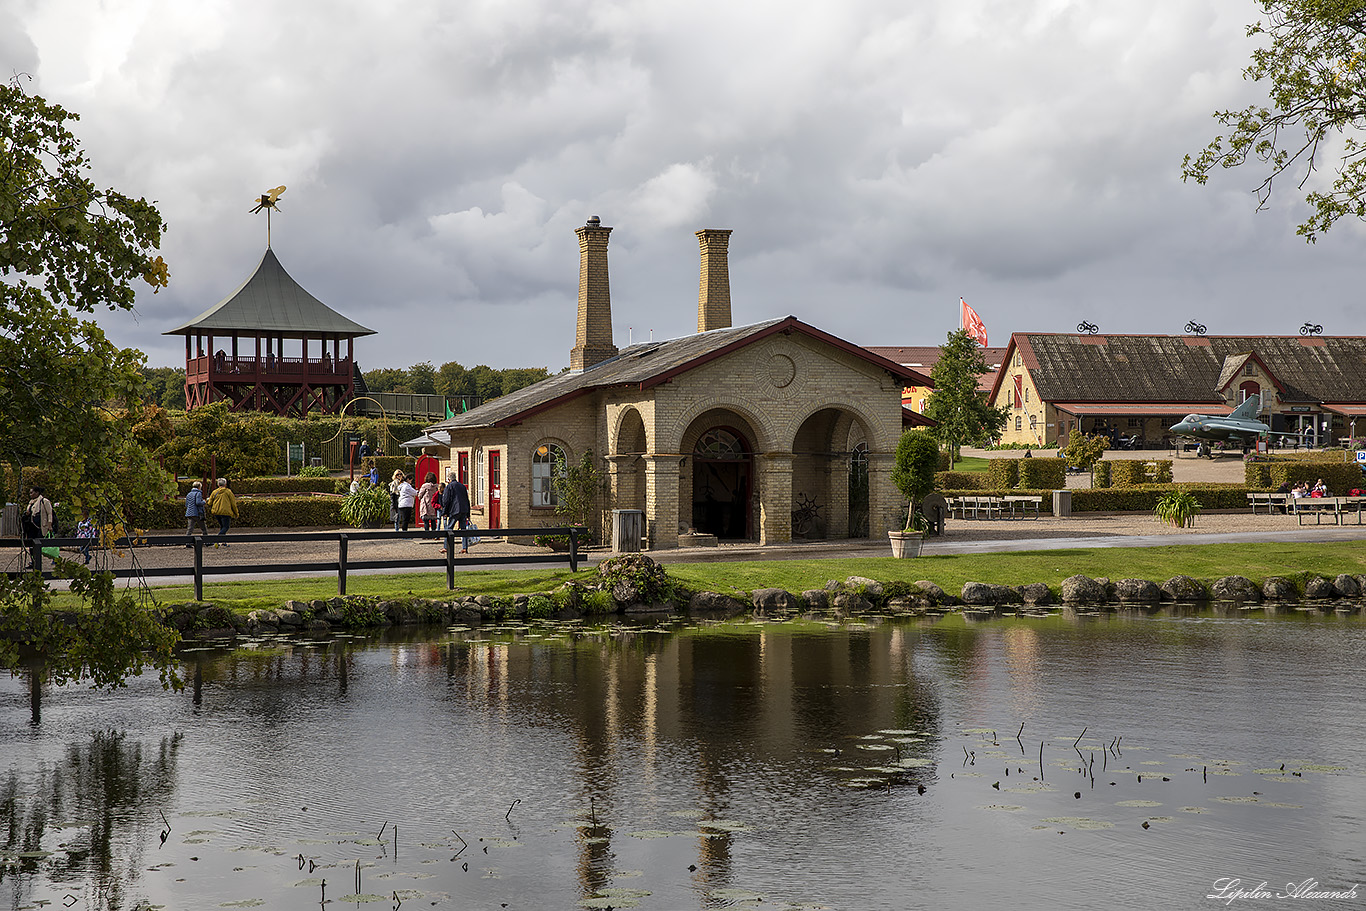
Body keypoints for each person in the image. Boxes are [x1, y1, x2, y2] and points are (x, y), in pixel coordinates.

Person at [21, 486, 54, 567]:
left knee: (44, 545)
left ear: (37, 493)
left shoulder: (44, 501)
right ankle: (34, 561)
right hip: (31, 527)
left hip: (41, 526)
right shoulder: (31, 503)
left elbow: (50, 513)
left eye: (31, 492)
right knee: (31, 545)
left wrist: (50, 525)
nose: (30, 494)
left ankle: (55, 558)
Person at [439, 472, 472, 553]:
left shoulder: (449, 487)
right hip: (463, 510)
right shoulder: (462, 486)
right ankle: (465, 548)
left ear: (449, 479)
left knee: (449, 529)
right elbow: (467, 500)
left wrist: (444, 512)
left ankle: (446, 547)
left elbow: (446, 501)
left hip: (454, 511)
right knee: (463, 530)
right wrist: (468, 513)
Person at [207, 478, 239, 546]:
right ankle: (217, 540)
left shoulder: (214, 492)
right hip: (226, 512)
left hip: (216, 512)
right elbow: (233, 504)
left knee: (222, 526)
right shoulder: (228, 492)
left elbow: (209, 503)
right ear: (225, 484)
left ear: (218, 484)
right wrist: (236, 513)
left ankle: (223, 542)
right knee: (226, 527)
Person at [185, 480, 208, 545]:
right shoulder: (198, 493)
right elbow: (198, 502)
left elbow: (186, 504)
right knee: (204, 528)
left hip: (189, 513)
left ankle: (187, 542)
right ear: (199, 487)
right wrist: (204, 502)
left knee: (190, 529)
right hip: (197, 513)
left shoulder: (189, 494)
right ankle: (207, 541)